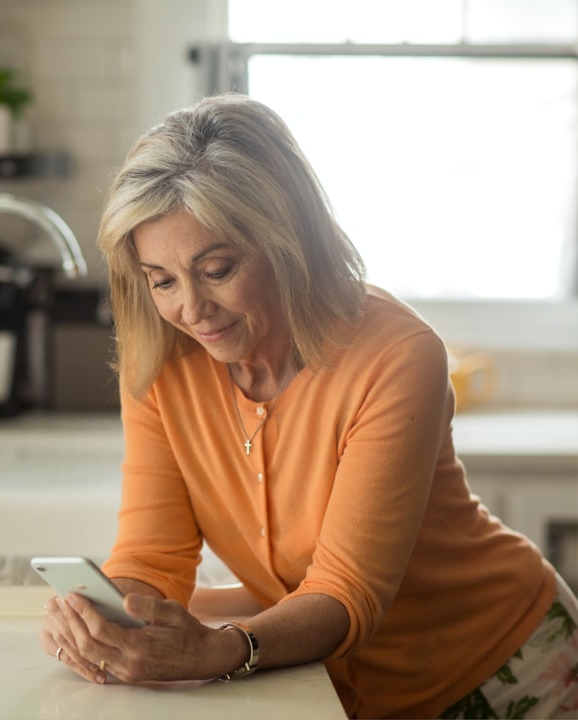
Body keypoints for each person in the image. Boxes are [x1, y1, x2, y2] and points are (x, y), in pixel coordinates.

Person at [38, 93, 578, 719]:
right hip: (340, 690)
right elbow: (152, 557)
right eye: (162, 280)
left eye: (216, 269)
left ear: (286, 241)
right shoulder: (163, 363)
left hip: (508, 666)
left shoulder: (395, 357)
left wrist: (216, 653)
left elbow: (345, 594)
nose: (190, 309)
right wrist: (109, 623)